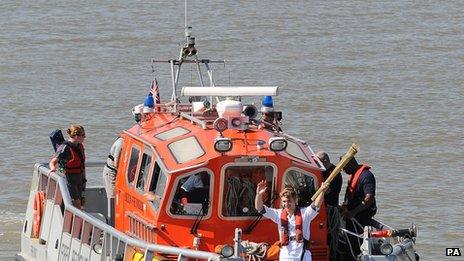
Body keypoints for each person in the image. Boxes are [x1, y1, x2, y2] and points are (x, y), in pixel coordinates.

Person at [255, 180, 329, 261]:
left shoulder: (305, 213)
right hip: (285, 256)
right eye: (284, 201)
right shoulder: (278, 214)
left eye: (289, 201)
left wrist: (322, 191)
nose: (286, 204)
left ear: (295, 201)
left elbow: (316, 206)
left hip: (303, 256)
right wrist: (258, 194)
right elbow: (260, 208)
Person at [340, 156, 377, 260]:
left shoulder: (366, 176)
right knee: (350, 244)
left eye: (344, 167)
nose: (343, 171)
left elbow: (368, 199)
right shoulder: (354, 175)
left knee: (357, 246)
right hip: (352, 218)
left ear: (350, 164)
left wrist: (353, 212)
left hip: (361, 219)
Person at [48, 124, 86, 209]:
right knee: (77, 202)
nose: (85, 137)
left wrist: (83, 177)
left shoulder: (79, 146)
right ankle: (76, 220)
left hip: (79, 177)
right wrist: (53, 168)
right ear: (76, 136)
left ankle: (77, 218)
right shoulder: (65, 148)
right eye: (83, 135)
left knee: (81, 201)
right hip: (69, 178)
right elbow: (52, 162)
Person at [102, 137, 123, 224]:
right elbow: (116, 163)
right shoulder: (120, 143)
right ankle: (112, 223)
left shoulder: (122, 141)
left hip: (114, 171)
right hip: (111, 172)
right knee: (112, 197)